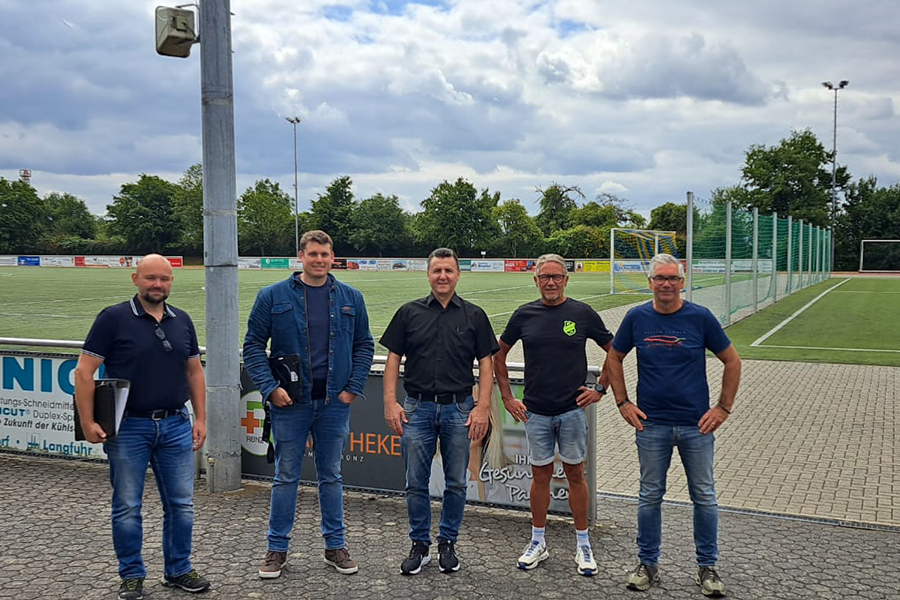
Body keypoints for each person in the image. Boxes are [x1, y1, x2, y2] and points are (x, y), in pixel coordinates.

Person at [73, 254, 210, 600]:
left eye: (164, 279)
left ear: (171, 282)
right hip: (128, 428)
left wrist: (201, 418)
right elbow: (84, 372)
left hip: (175, 424)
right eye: (150, 278)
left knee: (181, 505)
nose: (157, 285)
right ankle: (131, 576)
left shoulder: (182, 320)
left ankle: (178, 570)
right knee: (127, 506)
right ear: (135, 279)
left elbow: (194, 371)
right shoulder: (113, 318)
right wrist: (87, 421)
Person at [606, 253, 741, 597]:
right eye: (660, 278)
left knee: (704, 496)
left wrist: (723, 408)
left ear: (682, 282)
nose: (666, 284)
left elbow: (732, 360)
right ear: (650, 282)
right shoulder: (637, 317)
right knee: (650, 496)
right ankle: (647, 563)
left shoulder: (700, 317)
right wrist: (622, 402)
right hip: (651, 425)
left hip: (697, 426)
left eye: (673, 278)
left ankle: (707, 566)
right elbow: (614, 357)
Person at [243, 230, 374, 579]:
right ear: (300, 256)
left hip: (334, 403)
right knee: (286, 477)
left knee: (331, 476)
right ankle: (277, 549)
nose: (319, 260)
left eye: (325, 254)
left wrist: (352, 389)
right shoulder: (272, 296)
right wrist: (270, 388)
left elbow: (364, 344)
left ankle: (335, 546)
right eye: (313, 254)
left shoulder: (351, 298)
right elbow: (253, 345)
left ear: (333, 257)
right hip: (290, 404)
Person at [494, 253, 613, 576]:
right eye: (545, 277)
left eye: (556, 277)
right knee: (540, 476)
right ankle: (538, 541)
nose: (550, 282)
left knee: (576, 475)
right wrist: (507, 396)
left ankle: (583, 543)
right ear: (535, 281)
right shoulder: (524, 315)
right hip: (535, 411)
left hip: (572, 411)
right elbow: (498, 355)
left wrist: (600, 388)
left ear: (566, 280)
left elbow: (614, 350)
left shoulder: (582, 313)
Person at [381, 247, 499, 576]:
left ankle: (448, 543)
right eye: (437, 270)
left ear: (458, 275)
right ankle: (420, 545)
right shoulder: (409, 312)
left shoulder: (475, 315)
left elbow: (486, 364)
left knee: (456, 483)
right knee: (415, 482)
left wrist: (482, 407)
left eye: (448, 270)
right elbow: (393, 359)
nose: (442, 276)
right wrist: (390, 403)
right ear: (428, 275)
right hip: (416, 408)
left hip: (459, 409)